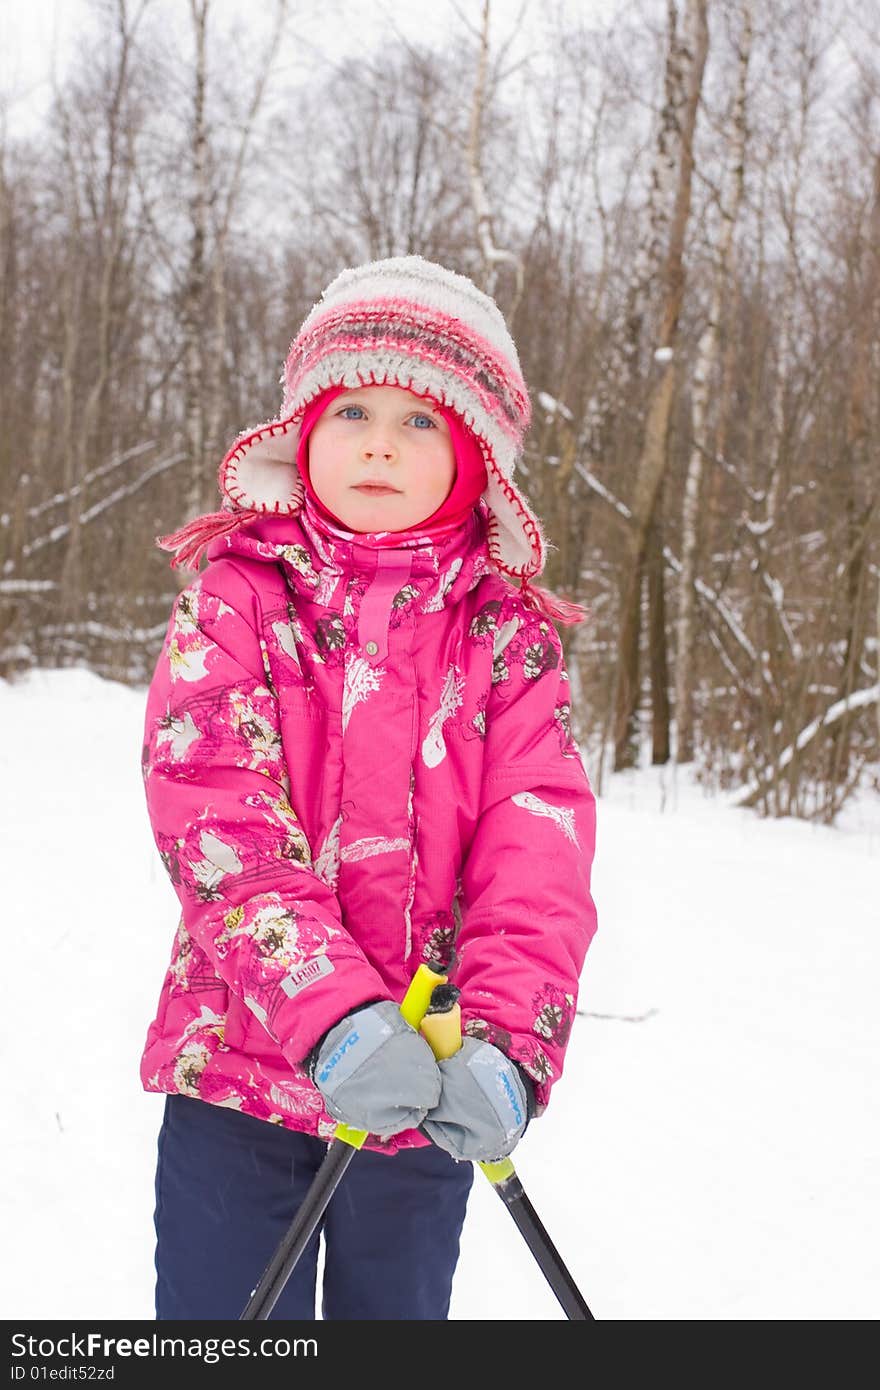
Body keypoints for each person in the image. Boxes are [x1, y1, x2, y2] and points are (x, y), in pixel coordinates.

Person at [140, 255, 599, 1321]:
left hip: (426, 1095)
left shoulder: (507, 638)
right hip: (240, 1079)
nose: (382, 441)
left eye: (423, 419)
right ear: (303, 430)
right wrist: (332, 1015)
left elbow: (538, 851)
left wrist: (509, 1042)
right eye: (352, 407)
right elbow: (216, 816)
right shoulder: (236, 600)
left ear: (479, 455)